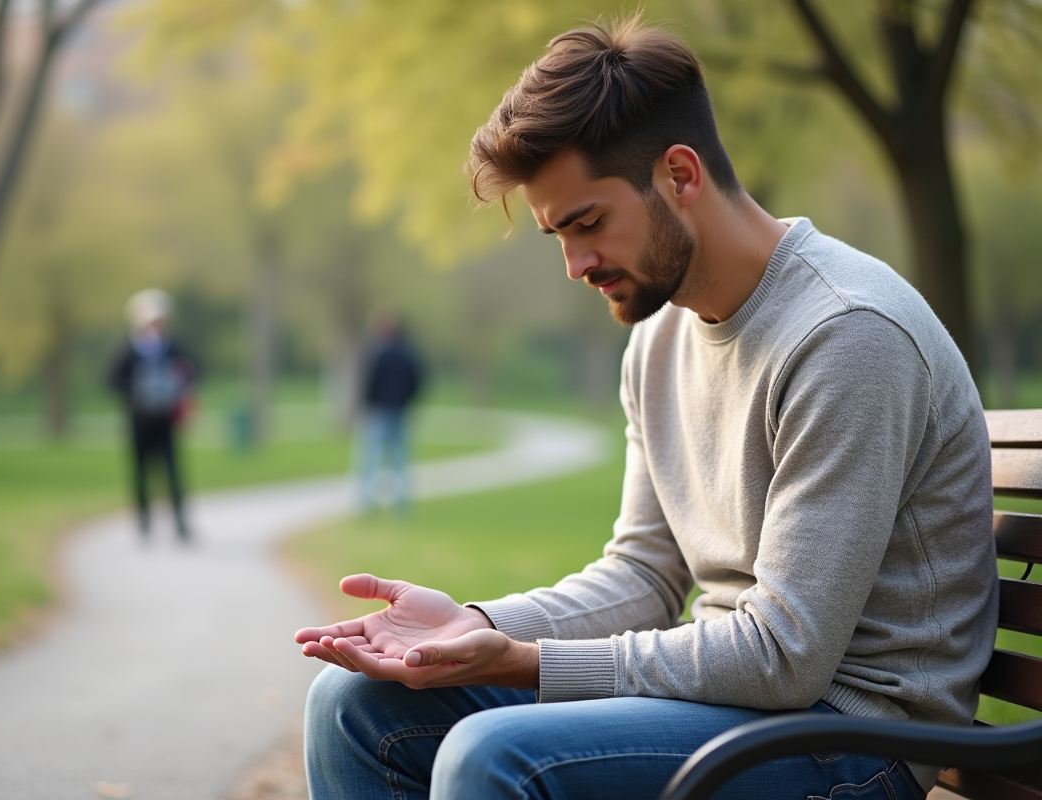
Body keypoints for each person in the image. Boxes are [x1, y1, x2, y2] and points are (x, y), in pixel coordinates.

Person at [294, 17, 998, 800]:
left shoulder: (847, 335)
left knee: (493, 757)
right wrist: (478, 624)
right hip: (740, 703)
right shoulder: (659, 339)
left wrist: (525, 662)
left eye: (588, 223)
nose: (575, 265)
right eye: (556, 234)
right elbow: (643, 575)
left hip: (854, 738)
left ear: (680, 175)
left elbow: (785, 656)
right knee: (353, 706)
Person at [108, 289, 197, 542]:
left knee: (173, 473)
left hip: (166, 421)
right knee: (140, 474)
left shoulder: (173, 348)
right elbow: (112, 380)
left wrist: (181, 391)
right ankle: (144, 523)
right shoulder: (129, 350)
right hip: (139, 422)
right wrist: (135, 392)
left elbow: (192, 371)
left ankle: (180, 523)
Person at [357, 313, 425, 514]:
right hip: (400, 411)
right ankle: (401, 505)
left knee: (372, 459)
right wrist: (408, 402)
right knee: (399, 461)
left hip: (380, 411)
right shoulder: (408, 353)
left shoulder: (379, 354)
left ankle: (367, 503)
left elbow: (370, 383)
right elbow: (417, 382)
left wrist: (368, 404)